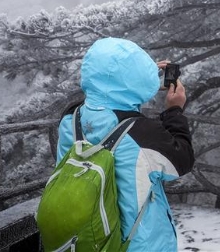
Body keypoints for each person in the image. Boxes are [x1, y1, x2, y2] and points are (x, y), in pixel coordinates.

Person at [56, 37, 195, 251]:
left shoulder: (69, 119)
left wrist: (139, 76)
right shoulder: (142, 134)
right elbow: (182, 160)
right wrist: (174, 111)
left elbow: (101, 94)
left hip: (83, 239)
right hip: (135, 244)